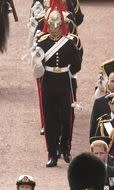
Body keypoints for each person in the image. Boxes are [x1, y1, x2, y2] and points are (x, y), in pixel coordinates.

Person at [33, 6, 83, 167]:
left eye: (57, 25)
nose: (54, 29)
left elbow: (76, 65)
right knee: (50, 119)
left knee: (66, 118)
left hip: (64, 83)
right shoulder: (42, 42)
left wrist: (69, 70)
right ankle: (52, 153)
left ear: (62, 25)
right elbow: (37, 65)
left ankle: (65, 148)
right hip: (48, 83)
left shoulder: (69, 43)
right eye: (52, 25)